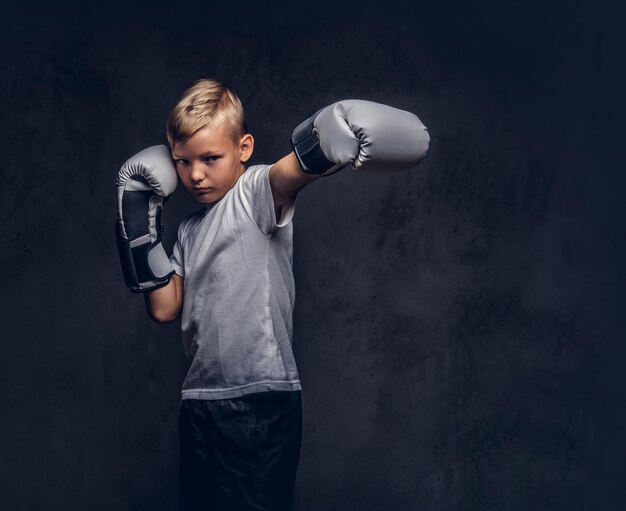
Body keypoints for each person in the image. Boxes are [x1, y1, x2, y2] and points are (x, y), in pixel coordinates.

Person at [115, 78, 430, 511]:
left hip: (260, 400)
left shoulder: (255, 192)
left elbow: (290, 173)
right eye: (182, 162)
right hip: (201, 402)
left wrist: (327, 137)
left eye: (210, 158)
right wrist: (139, 225)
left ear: (244, 149)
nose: (196, 174)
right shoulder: (188, 230)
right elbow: (165, 309)